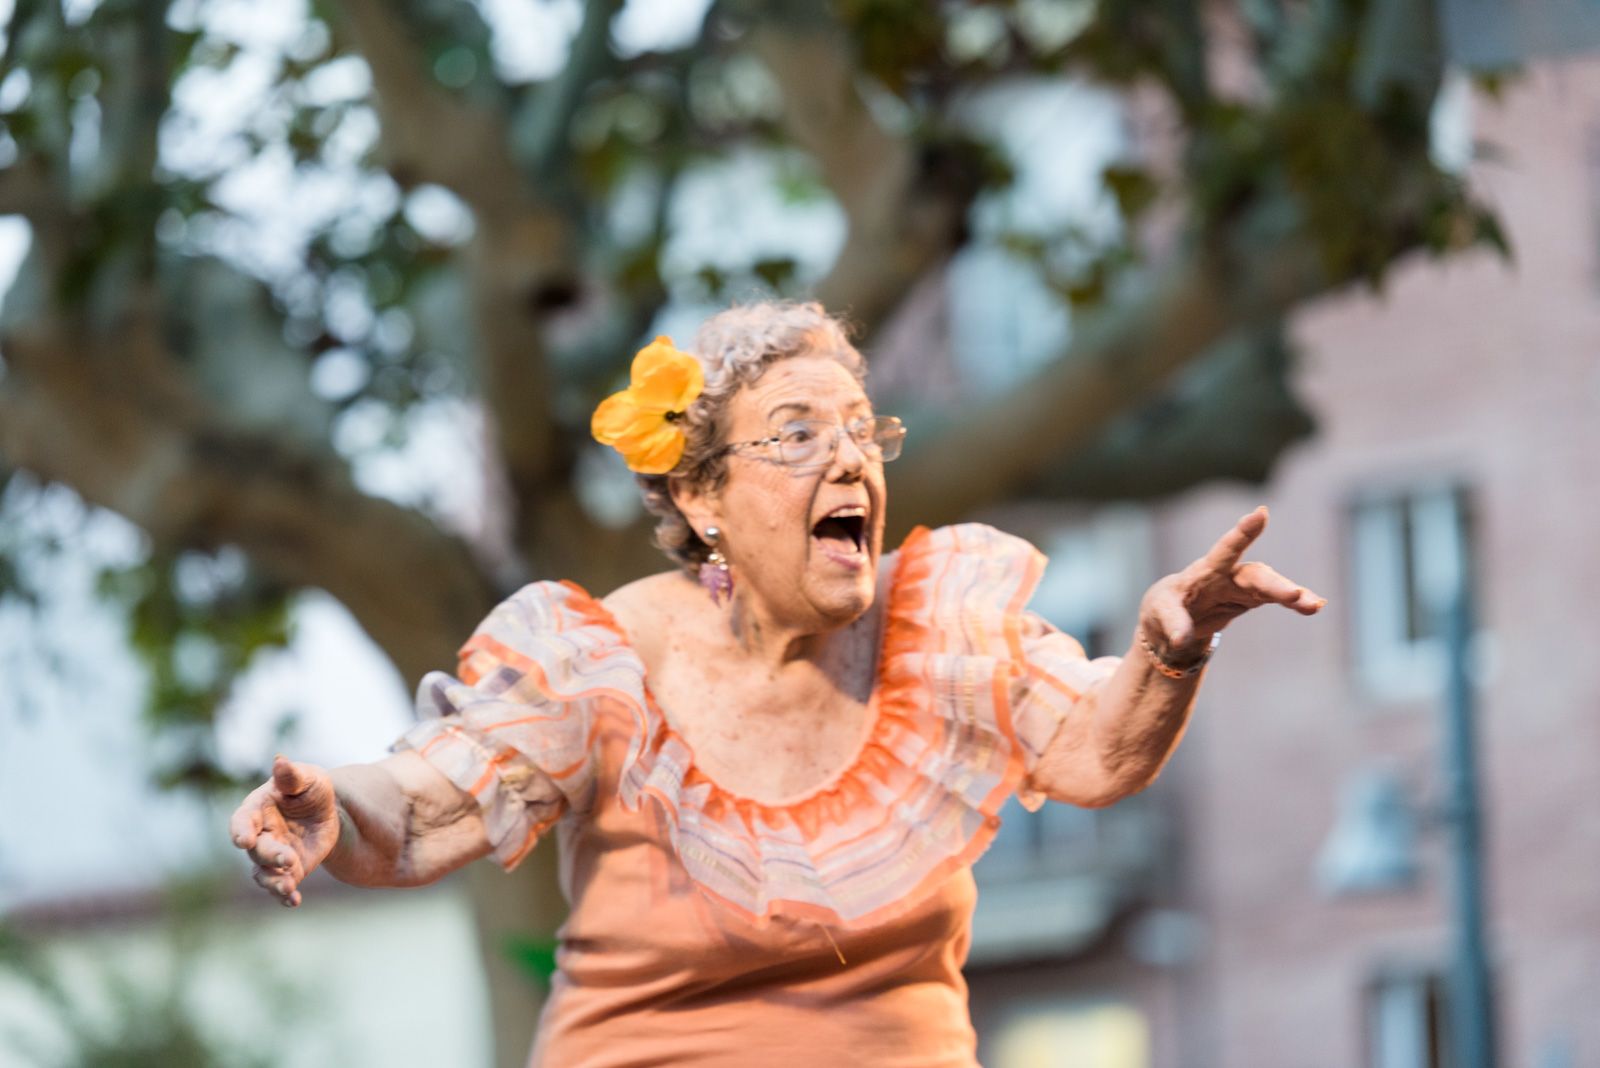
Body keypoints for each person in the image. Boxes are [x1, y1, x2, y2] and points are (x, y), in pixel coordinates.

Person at [229, 301, 1325, 1067]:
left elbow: (1096, 749)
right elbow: (429, 802)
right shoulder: (605, 658)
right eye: (798, 435)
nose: (848, 460)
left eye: (862, 430)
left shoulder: (939, 628)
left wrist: (1169, 651)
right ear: (703, 499)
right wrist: (333, 803)